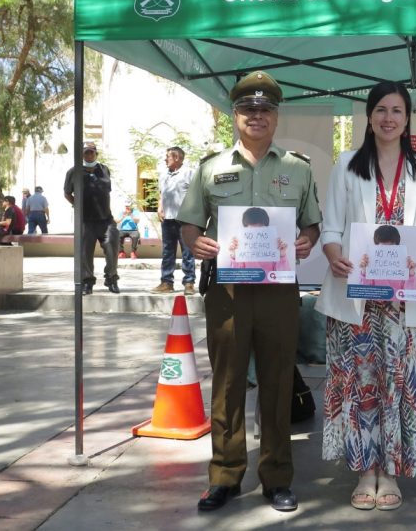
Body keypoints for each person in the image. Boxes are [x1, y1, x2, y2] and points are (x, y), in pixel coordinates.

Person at [177, 70, 321, 513]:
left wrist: (308, 240)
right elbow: (189, 224)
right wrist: (193, 241)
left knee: (278, 383)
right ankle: (224, 475)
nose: (256, 116)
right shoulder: (210, 168)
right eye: (248, 109)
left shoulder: (298, 168)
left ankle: (277, 477)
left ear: (276, 117)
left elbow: (311, 224)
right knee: (227, 384)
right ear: (234, 115)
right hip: (228, 291)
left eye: (265, 109)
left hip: (279, 290)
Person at [315, 81, 416, 511]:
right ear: (369, 117)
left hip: (404, 301)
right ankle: (364, 469)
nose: (389, 118)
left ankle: (390, 469)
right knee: (359, 384)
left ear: (407, 119)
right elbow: (331, 225)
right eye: (381, 110)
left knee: (399, 386)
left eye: (397, 111)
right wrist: (333, 253)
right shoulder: (348, 164)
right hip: (356, 297)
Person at [63, 142, 120, 294]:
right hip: (86, 220)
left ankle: (111, 278)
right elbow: (67, 193)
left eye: (92, 152)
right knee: (85, 253)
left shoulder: (104, 169)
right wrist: (78, 205)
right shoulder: (73, 172)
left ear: (96, 154)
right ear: (81, 154)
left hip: (106, 219)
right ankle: (87, 281)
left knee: (112, 248)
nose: (89, 155)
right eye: (86, 152)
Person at [154, 146, 196, 294]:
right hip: (168, 219)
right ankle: (166, 282)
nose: (165, 159)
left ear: (177, 158)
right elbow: (162, 194)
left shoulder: (189, 173)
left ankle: (189, 283)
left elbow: (196, 195)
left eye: (168, 157)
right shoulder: (163, 174)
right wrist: (160, 207)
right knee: (167, 252)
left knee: (187, 252)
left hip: (185, 220)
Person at [225, 206, 291, 271]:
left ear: (267, 230)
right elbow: (235, 277)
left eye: (260, 230)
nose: (256, 236)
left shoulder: (274, 248)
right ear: (245, 231)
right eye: (251, 232)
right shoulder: (241, 249)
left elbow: (284, 276)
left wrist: (282, 256)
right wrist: (234, 257)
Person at [357, 224, 416, 290]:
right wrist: (364, 272)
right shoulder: (371, 266)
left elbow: (411, 294)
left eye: (390, 249)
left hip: (397, 299)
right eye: (383, 249)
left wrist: (411, 274)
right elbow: (363, 291)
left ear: (398, 247)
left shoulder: (403, 267)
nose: (387, 254)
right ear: (375, 247)